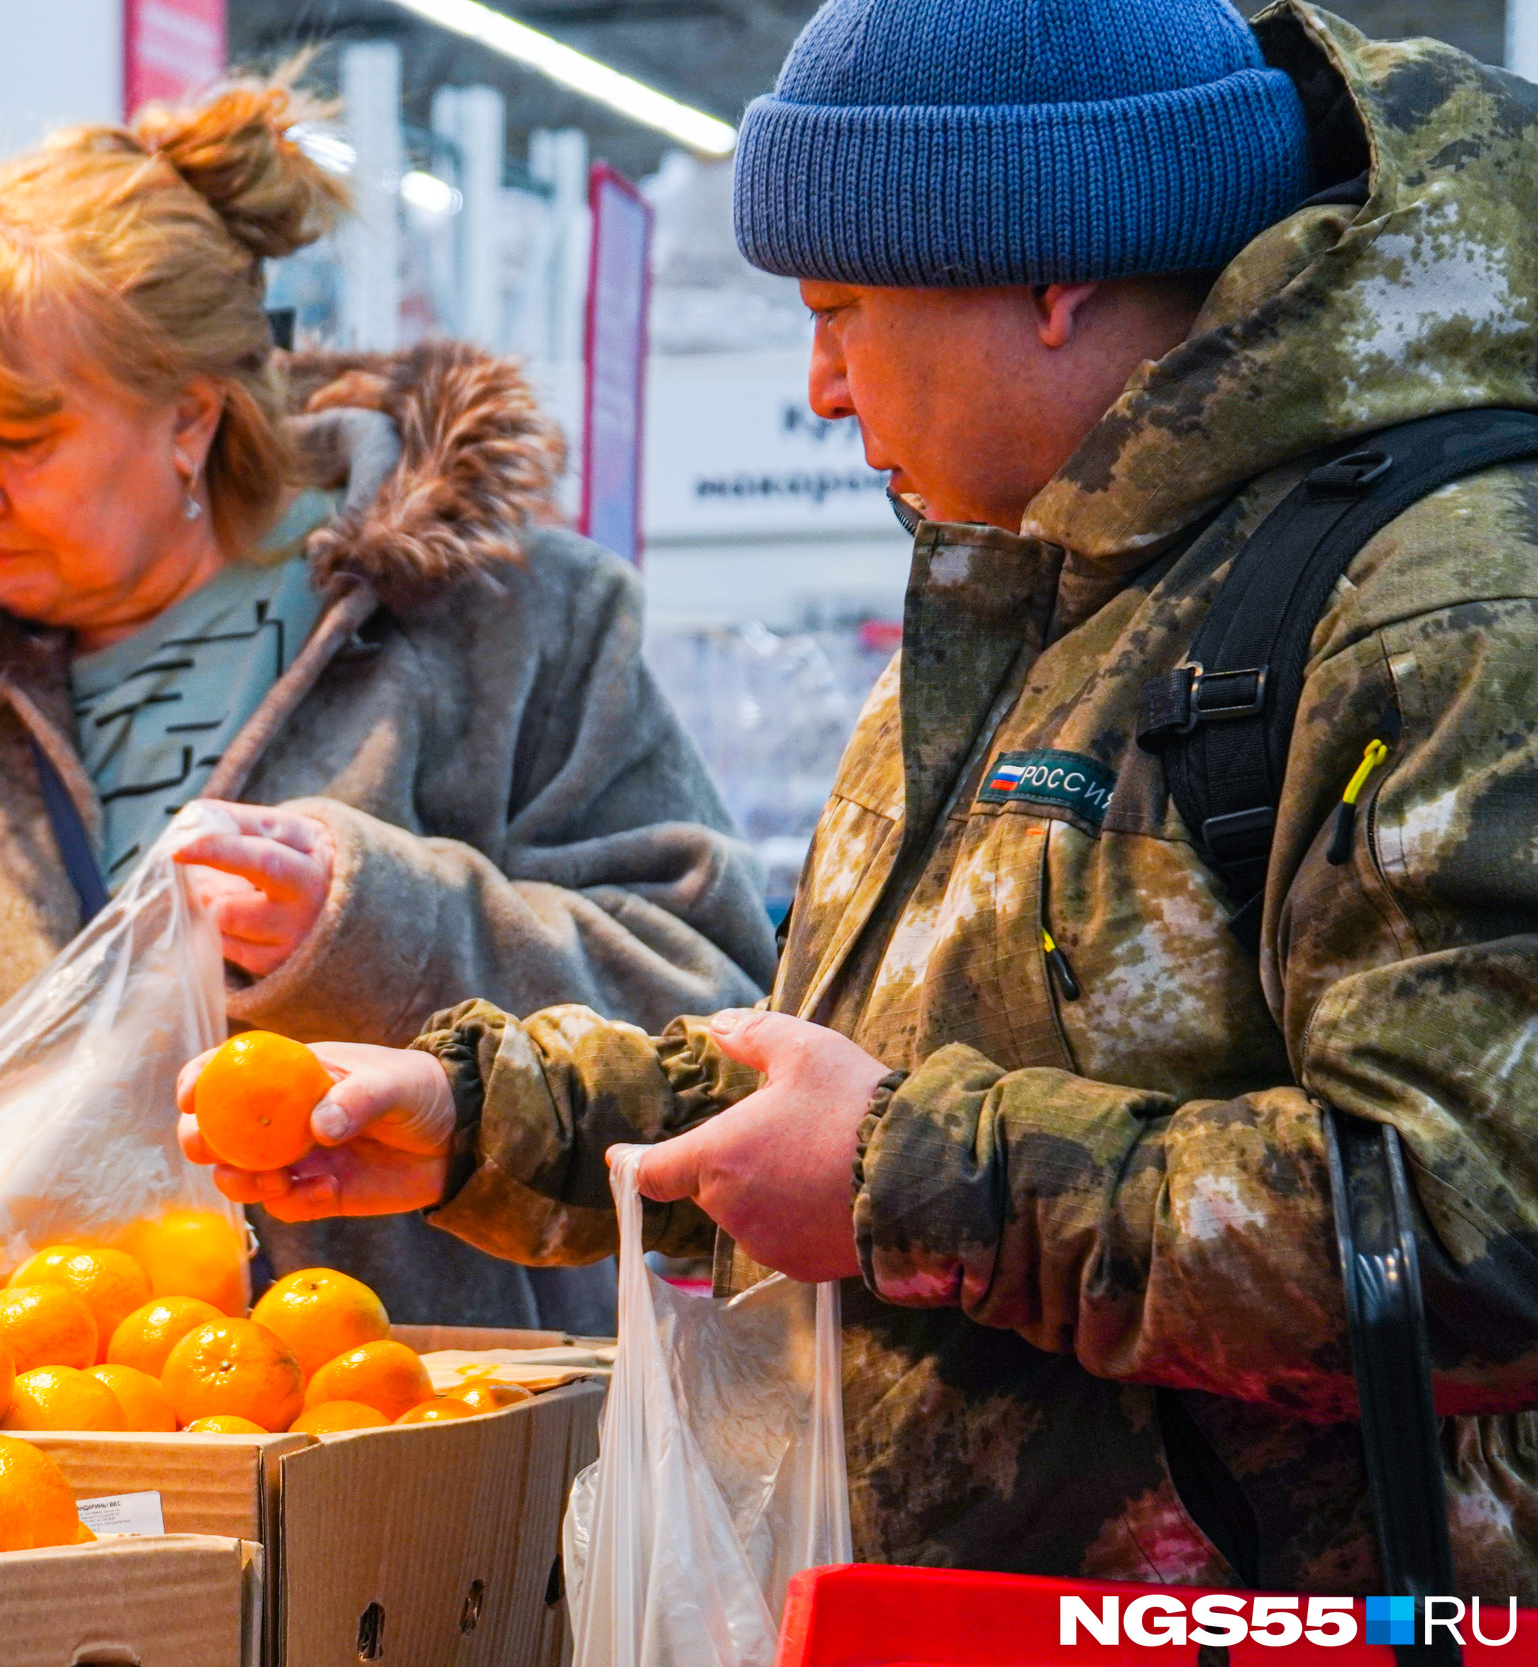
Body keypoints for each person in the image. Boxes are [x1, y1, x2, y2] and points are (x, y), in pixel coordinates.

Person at [180, 0, 1538, 1591]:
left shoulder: (1439, 602)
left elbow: (1479, 1227)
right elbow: (833, 1089)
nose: (821, 386)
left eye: (841, 309)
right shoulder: (1031, 585)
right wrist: (490, 1119)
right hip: (921, 1611)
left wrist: (908, 1175)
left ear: (1054, 277)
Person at [0, 76, 778, 1331]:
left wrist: (378, 921)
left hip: (408, 1441)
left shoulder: (504, 625)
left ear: (188, 419)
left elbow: (711, 1016)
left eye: (16, 436)